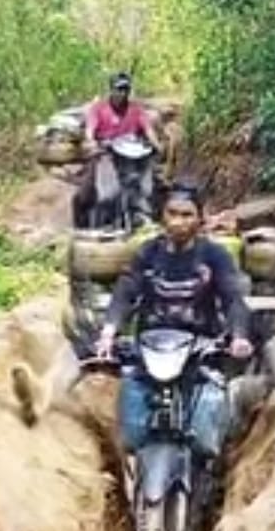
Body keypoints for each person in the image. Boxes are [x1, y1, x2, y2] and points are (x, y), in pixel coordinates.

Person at [95, 182, 253, 460]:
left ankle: (220, 463)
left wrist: (239, 336)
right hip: (151, 347)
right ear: (162, 216)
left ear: (200, 219)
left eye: (187, 214)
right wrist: (108, 332)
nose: (178, 222)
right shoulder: (147, 253)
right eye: (172, 213)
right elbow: (125, 291)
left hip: (200, 348)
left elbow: (232, 297)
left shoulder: (215, 256)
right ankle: (45, 397)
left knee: (221, 402)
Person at [74, 72, 164, 228]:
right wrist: (92, 141)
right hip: (107, 153)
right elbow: (90, 130)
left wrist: (157, 145)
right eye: (119, 89)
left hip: (134, 155)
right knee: (108, 194)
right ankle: (101, 222)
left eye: (125, 89)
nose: (122, 93)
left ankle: (145, 218)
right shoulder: (99, 109)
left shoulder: (136, 110)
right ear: (111, 90)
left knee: (147, 190)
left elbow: (149, 130)